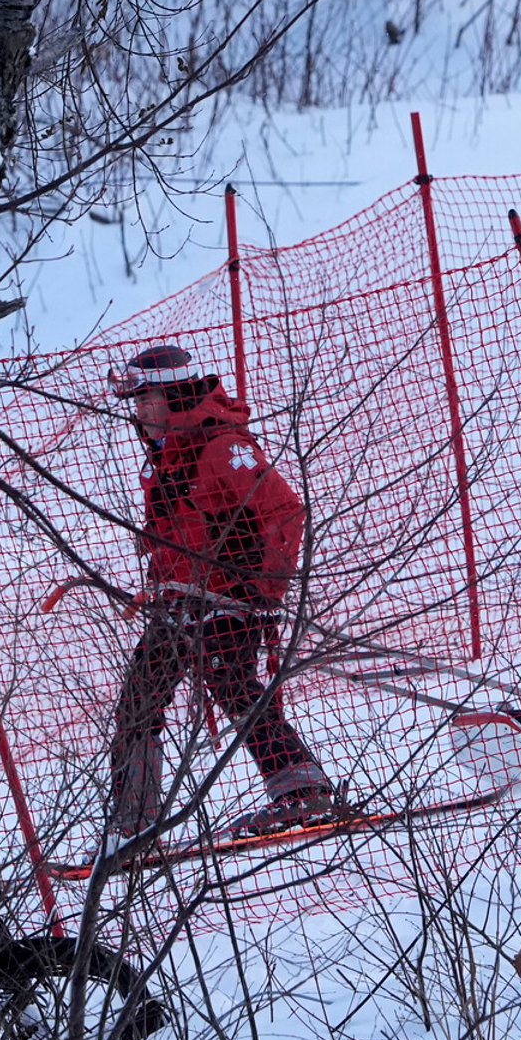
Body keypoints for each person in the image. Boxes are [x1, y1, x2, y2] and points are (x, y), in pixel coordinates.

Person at [104, 344, 339, 843]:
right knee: (138, 703)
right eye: (136, 400)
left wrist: (261, 590)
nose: (139, 410)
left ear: (174, 394)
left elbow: (287, 513)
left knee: (231, 682)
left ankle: (304, 790)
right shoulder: (161, 461)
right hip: (178, 605)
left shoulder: (222, 449)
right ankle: (132, 825)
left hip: (234, 598)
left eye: (147, 398)